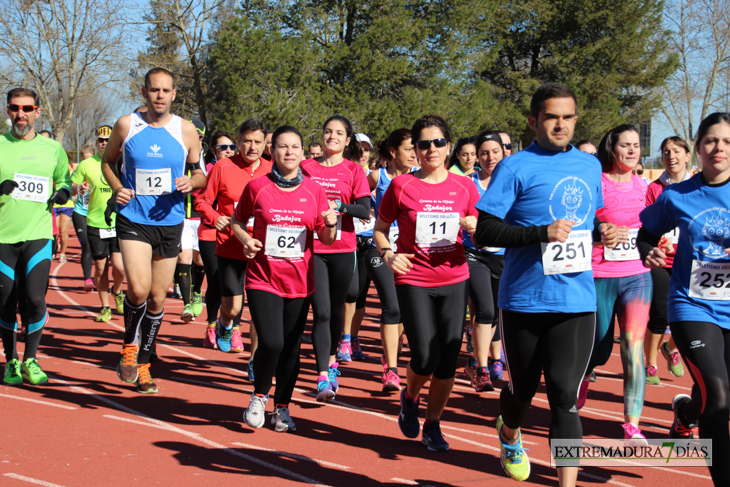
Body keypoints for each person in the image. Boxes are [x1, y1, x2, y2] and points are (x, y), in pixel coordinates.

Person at [472, 83, 617, 485]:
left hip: (576, 299)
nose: (561, 124)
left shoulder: (589, 166)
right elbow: (484, 230)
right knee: (521, 394)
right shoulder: (515, 166)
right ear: (534, 120)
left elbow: (592, 217)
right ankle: (509, 432)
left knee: (564, 399)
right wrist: (540, 233)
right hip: (524, 300)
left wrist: (604, 230)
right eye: (552, 117)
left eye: (568, 117)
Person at [374, 115, 479, 451]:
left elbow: (482, 225)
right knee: (425, 355)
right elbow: (380, 227)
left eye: (438, 142)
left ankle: (433, 425)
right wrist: (389, 254)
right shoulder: (402, 185)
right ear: (414, 150)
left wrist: (475, 225)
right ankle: (410, 395)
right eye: (423, 144)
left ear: (448, 145)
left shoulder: (464, 185)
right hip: (414, 278)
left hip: (454, 277)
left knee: (448, 360)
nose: (431, 149)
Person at [638, 112, 730, 485]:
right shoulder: (678, 195)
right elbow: (646, 232)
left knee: (714, 394)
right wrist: (648, 251)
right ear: (699, 147)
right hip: (692, 306)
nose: (718, 148)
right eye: (710, 140)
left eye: (726, 141)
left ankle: (686, 415)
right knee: (720, 401)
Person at [101, 68, 204, 394]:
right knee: (140, 289)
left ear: (174, 94)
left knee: (159, 298)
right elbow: (107, 162)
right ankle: (129, 346)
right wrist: (117, 187)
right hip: (133, 219)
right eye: (154, 90)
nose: (160, 95)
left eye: (166, 90)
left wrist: (192, 182)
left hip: (170, 222)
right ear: (144, 92)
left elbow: (200, 172)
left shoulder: (186, 131)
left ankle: (144, 363)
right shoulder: (127, 125)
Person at [232, 126, 337, 432]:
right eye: (282, 147)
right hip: (263, 277)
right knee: (272, 341)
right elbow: (239, 221)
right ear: (272, 151)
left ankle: (282, 407)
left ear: (303, 153)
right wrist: (245, 239)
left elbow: (327, 239)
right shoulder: (258, 188)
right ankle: (259, 396)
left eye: (295, 147)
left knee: (291, 347)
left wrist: (331, 223)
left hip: (300, 281)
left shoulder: (315, 191)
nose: (289, 152)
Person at [577, 124, 652, 444]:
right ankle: (580, 379)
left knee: (634, 348)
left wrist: (655, 246)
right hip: (601, 275)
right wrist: (600, 228)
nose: (633, 150)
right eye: (626, 145)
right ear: (612, 149)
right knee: (600, 348)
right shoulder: (598, 183)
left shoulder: (646, 186)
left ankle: (632, 423)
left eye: (637, 145)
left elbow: (654, 226)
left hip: (638, 276)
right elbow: (582, 218)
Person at [1, 87, 73, 386]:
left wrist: (62, 193)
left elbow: (64, 182)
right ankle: (11, 362)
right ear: (8, 110)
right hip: (3, 237)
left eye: (27, 108)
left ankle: (31, 358)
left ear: (38, 111)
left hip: (39, 235)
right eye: (15, 108)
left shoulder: (52, 148)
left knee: (33, 297)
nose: (21, 114)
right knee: (5, 300)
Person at [301, 115, 371, 401]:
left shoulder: (354, 171)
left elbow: (365, 210)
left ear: (347, 139)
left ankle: (331, 362)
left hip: (343, 250)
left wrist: (339, 206)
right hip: (313, 248)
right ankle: (321, 375)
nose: (332, 137)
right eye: (328, 131)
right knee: (322, 311)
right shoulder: (306, 167)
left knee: (337, 311)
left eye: (338, 133)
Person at [195, 119, 270, 374]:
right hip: (229, 245)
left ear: (264, 144)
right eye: (247, 141)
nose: (252, 146)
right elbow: (202, 202)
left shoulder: (273, 170)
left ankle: (255, 362)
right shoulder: (223, 167)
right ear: (238, 142)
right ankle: (224, 322)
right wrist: (216, 218)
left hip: (261, 248)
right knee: (234, 307)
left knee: (260, 310)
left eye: (258, 142)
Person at [365, 130, 416, 391]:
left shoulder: (420, 177)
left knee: (406, 310)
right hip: (381, 248)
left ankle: (390, 352)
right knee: (392, 306)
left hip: (410, 250)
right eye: (409, 149)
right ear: (394, 152)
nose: (414, 154)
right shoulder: (378, 176)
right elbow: (360, 201)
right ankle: (391, 369)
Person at [643, 136, 692, 385]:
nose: (671, 156)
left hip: (689, 261)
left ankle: (671, 349)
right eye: (665, 152)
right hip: (661, 260)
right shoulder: (654, 188)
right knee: (661, 314)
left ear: (687, 155)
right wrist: (657, 242)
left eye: (676, 151)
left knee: (688, 316)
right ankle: (650, 364)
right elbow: (648, 224)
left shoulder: (697, 187)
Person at [462, 132, 507, 392]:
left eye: (495, 152)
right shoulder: (468, 183)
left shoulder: (513, 183)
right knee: (485, 310)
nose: (490, 157)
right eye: (484, 153)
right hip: (474, 255)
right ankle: (481, 368)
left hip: (505, 256)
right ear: (477, 156)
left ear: (504, 153)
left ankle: (475, 361)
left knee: (498, 314)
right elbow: (454, 213)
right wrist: (467, 223)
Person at [72, 125, 126, 322]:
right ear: (97, 143)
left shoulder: (123, 163)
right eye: (101, 140)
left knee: (120, 268)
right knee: (101, 268)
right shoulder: (87, 165)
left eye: (107, 140)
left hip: (119, 222)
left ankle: (117, 290)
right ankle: (105, 307)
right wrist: (79, 188)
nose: (104, 143)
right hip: (96, 222)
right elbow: (73, 185)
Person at [197, 130, 237, 348]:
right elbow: (201, 202)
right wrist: (216, 218)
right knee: (215, 281)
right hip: (211, 232)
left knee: (235, 284)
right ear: (214, 150)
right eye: (223, 147)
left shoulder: (241, 170)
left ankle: (234, 329)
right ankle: (211, 326)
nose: (228, 151)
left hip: (236, 234)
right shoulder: (209, 170)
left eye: (232, 147)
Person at [176, 119, 207, 322]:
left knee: (199, 260)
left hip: (201, 217)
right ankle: (187, 304)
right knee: (183, 259)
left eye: (200, 136)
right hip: (181, 216)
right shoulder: (177, 155)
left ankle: (197, 292)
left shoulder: (209, 158)